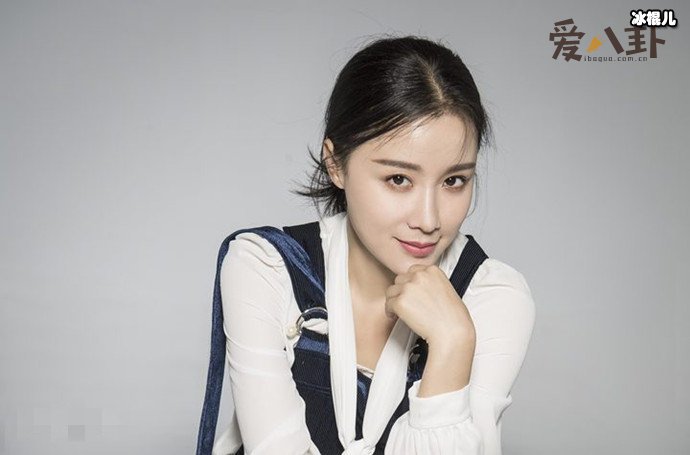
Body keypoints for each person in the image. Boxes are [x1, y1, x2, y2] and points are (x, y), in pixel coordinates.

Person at [204, 35, 536, 455]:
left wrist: (453, 342)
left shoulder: (493, 296)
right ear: (335, 164)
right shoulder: (268, 266)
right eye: (399, 179)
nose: (429, 220)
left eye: (454, 181)